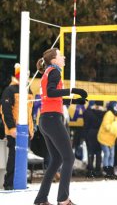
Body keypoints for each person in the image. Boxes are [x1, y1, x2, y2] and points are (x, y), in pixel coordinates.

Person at [33, 48, 88, 205]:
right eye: (61, 55)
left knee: (56, 159)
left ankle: (41, 199)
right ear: (54, 59)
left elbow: (53, 98)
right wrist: (73, 90)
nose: (64, 57)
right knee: (69, 157)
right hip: (51, 119)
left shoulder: (48, 72)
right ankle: (63, 199)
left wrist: (74, 101)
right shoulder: (54, 72)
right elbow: (51, 93)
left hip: (45, 120)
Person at [1, 63, 34, 190]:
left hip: (25, 130)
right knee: (14, 157)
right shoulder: (10, 90)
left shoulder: (28, 90)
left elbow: (29, 113)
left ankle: (20, 181)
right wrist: (11, 128)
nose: (26, 77)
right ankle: (9, 183)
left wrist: (31, 129)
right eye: (24, 75)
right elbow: (5, 111)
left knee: (23, 156)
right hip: (14, 130)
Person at [97, 101, 117, 180]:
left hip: (112, 138)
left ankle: (111, 171)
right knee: (107, 153)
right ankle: (106, 171)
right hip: (103, 137)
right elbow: (106, 125)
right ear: (116, 110)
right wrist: (114, 128)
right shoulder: (109, 114)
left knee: (112, 155)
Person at [83, 101, 105, 178]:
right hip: (100, 133)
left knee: (90, 151)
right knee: (99, 152)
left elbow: (85, 117)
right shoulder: (104, 113)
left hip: (90, 133)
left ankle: (90, 170)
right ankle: (98, 170)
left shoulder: (88, 112)